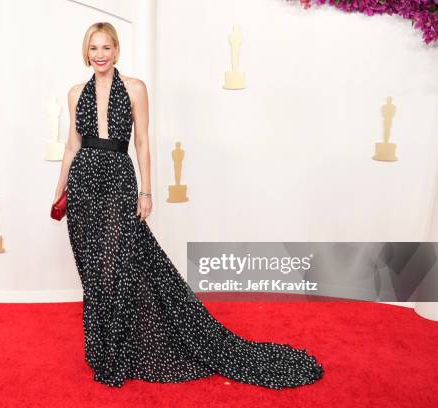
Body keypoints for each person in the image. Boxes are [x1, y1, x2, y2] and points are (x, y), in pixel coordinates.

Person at [52, 22, 324, 389]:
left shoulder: (135, 89)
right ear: (86, 52)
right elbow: (72, 146)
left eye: (106, 48)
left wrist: (146, 192)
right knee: (95, 273)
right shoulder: (74, 93)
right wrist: (59, 191)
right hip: (83, 186)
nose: (100, 54)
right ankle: (103, 349)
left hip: (118, 181)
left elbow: (144, 144)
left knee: (119, 265)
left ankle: (118, 352)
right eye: (94, 48)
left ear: (117, 51)